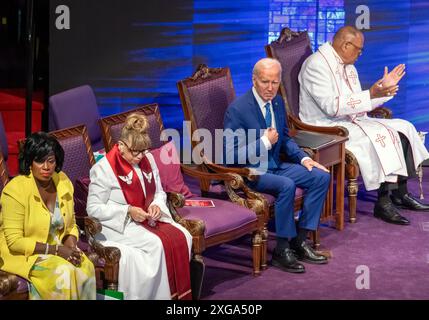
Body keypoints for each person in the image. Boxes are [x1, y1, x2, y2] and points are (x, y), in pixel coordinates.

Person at [298, 26, 429, 225]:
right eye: (358, 49)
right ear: (345, 45)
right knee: (384, 136)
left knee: (403, 128)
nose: (360, 54)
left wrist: (383, 92)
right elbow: (331, 106)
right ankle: (383, 203)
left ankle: (400, 194)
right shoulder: (316, 65)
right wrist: (371, 94)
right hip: (325, 126)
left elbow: (358, 104)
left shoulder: (348, 66)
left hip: (350, 120)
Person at [223, 58, 331, 274]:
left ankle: (299, 241)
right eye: (265, 82)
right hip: (251, 171)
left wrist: (303, 159)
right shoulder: (238, 110)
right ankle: (282, 250)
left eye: (274, 82)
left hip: (277, 165)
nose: (270, 88)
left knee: (320, 176)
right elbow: (230, 156)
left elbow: (285, 138)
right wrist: (263, 142)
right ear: (254, 80)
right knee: (287, 185)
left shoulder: (278, 102)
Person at [86, 113, 193, 299]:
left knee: (184, 235)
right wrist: (127, 211)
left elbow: (159, 191)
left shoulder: (148, 160)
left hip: (147, 218)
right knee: (156, 245)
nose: (139, 157)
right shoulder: (103, 169)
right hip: (117, 225)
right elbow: (93, 208)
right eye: (134, 152)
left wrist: (157, 205)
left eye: (143, 151)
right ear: (121, 146)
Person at [0, 132, 96, 300]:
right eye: (39, 161)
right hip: (24, 255)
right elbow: (14, 242)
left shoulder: (63, 181)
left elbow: (71, 223)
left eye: (51, 161)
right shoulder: (15, 191)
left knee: (85, 266)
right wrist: (57, 251)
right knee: (64, 272)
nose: (46, 167)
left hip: (57, 247)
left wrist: (71, 245)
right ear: (30, 162)